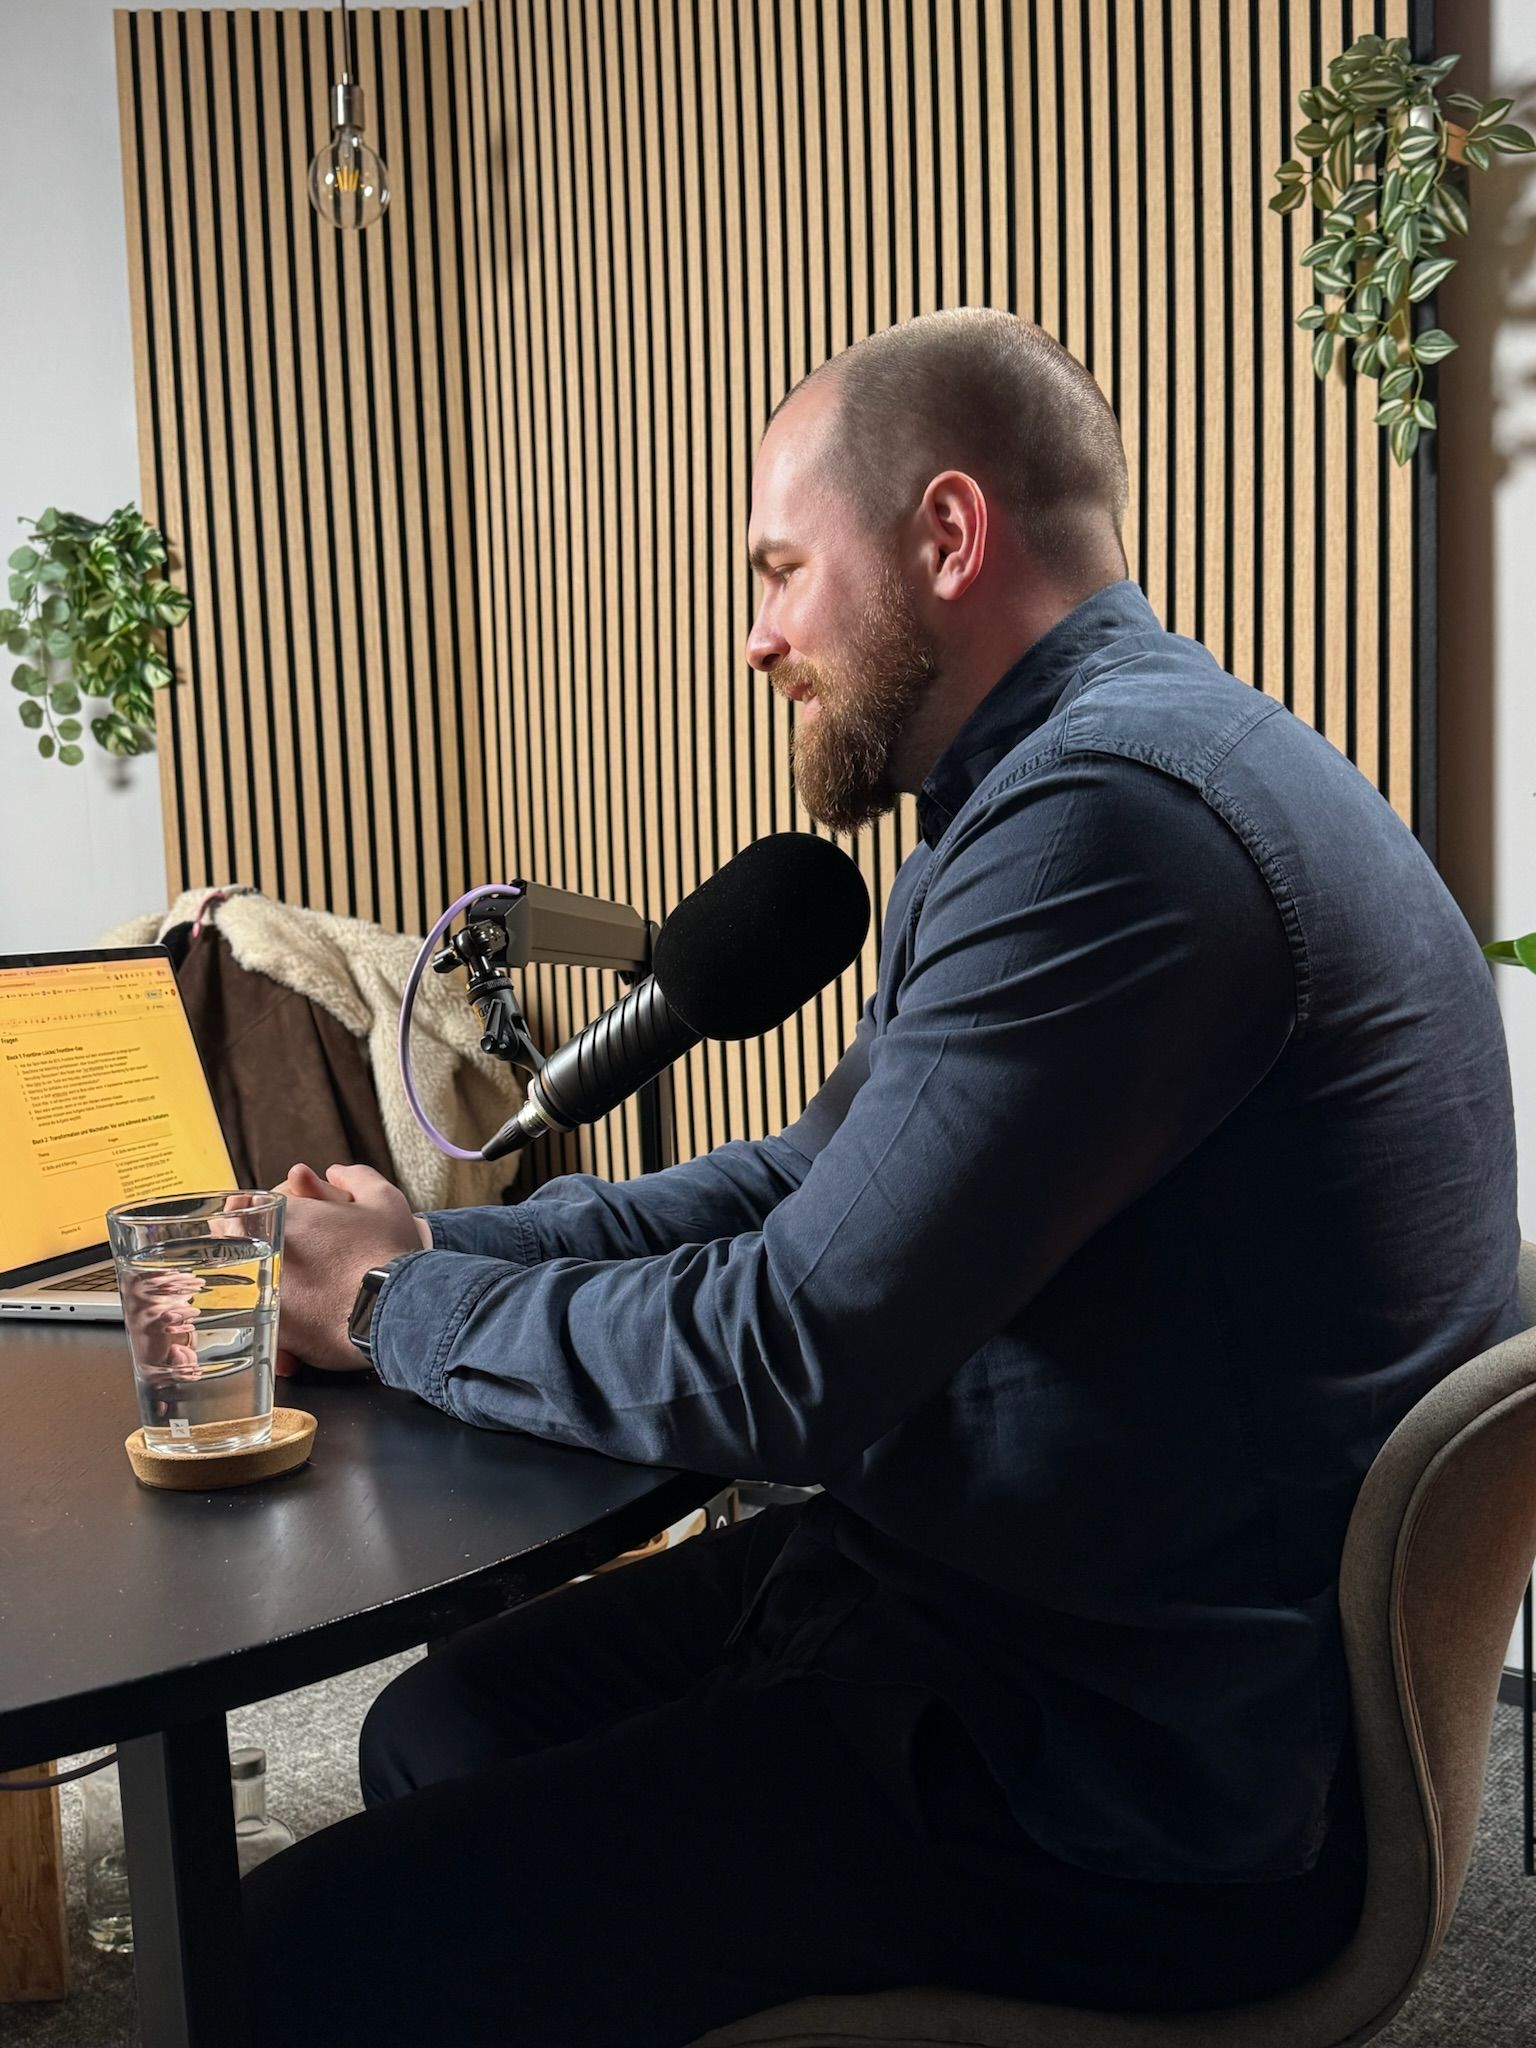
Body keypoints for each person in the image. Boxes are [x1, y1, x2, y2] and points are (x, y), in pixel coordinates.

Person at [243, 309, 1520, 2046]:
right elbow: (808, 1175)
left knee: (292, 1954)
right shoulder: (1110, 773)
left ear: (945, 533)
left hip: (1113, 1763)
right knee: (440, 1729)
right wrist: (461, 1241)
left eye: (779, 573)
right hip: (1029, 1606)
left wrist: (393, 1302)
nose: (758, 640)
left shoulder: (1111, 830)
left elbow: (790, 1359)